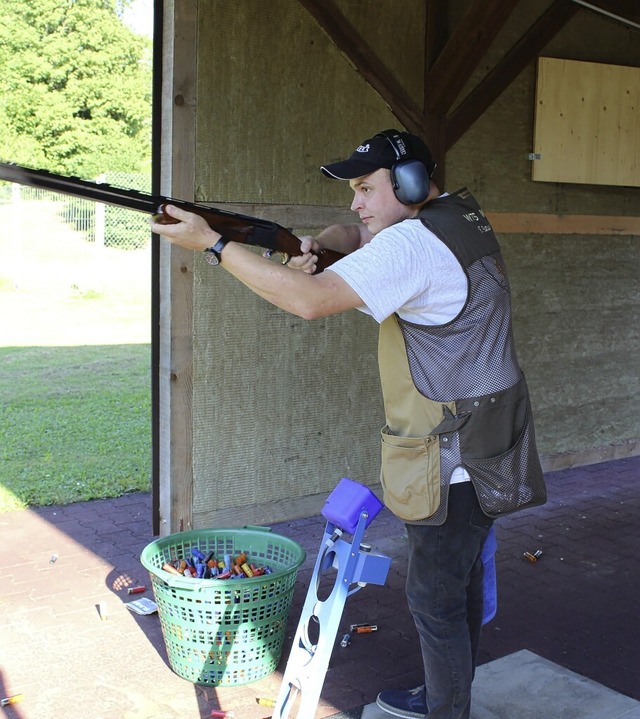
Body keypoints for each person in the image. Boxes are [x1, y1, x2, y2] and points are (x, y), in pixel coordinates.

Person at [151, 129, 546, 719]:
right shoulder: (458, 214)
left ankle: (447, 711)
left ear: (410, 182)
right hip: (491, 434)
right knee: (459, 582)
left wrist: (212, 243)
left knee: (434, 598)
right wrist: (310, 244)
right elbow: (357, 236)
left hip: (450, 453)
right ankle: (448, 693)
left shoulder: (410, 246)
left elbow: (308, 301)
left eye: (365, 188)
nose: (356, 203)